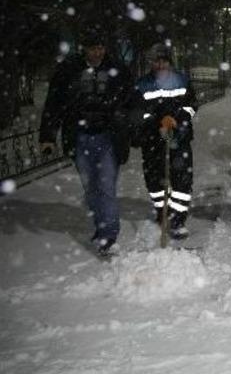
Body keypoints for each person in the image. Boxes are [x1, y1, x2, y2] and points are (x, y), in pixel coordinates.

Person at [39, 25, 133, 255]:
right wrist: (48, 136)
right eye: (93, 48)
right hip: (80, 138)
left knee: (106, 186)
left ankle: (108, 234)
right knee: (91, 188)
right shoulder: (68, 70)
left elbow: (132, 102)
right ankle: (101, 228)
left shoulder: (117, 70)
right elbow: (54, 104)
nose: (97, 53)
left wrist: (129, 123)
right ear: (84, 49)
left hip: (108, 138)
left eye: (100, 47)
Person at [131, 43, 197, 239]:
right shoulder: (142, 85)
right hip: (153, 140)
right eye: (156, 61)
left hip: (179, 138)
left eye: (164, 61)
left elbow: (192, 106)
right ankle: (162, 211)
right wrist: (156, 120)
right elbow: (136, 113)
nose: (160, 65)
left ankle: (178, 219)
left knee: (182, 180)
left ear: (170, 62)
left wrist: (177, 119)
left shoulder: (182, 82)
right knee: (154, 180)